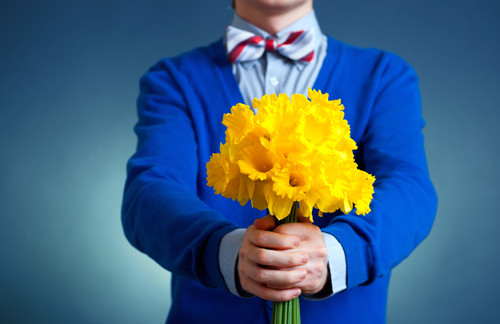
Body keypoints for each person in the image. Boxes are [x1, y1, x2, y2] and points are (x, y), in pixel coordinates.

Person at [121, 0, 438, 323]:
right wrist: (225, 252)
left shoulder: (383, 75)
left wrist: (339, 254)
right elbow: (149, 193)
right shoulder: (172, 81)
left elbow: (409, 188)